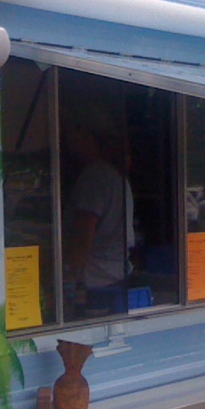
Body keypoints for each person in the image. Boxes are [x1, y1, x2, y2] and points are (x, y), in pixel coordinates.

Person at [62, 116, 134, 317]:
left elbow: (82, 238)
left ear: (87, 136)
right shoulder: (114, 177)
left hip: (95, 282)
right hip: (115, 277)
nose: (68, 142)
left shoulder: (94, 177)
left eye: (72, 134)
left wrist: (68, 278)